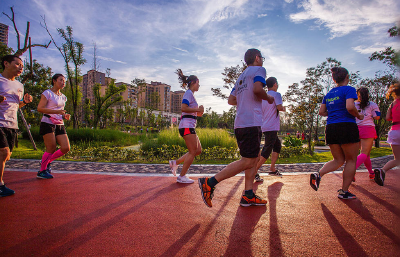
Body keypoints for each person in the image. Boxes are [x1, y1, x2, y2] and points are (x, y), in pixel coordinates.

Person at [198, 48, 274, 207]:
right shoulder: (259, 69)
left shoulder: (241, 77)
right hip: (251, 122)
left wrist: (246, 100)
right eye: (262, 58)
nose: (262, 61)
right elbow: (258, 89)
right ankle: (210, 182)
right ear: (257, 58)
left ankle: (248, 194)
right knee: (248, 160)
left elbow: (231, 100)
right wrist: (268, 98)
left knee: (253, 159)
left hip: (241, 122)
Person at [310, 67, 364, 199]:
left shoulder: (328, 94)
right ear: (347, 77)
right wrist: (359, 115)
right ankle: (344, 191)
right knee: (351, 159)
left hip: (331, 127)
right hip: (346, 126)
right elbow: (350, 107)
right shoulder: (349, 89)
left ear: (334, 79)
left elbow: (322, 112)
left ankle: (319, 174)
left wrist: (334, 112)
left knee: (338, 159)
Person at [0, 55, 33, 197]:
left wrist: (24, 102)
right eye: (17, 64)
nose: (21, 67)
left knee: (6, 156)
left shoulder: (20, 85)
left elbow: (15, 105)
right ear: (6, 63)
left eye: (22, 66)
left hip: (12, 124)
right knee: (4, 152)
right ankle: (0, 185)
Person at [168, 69, 204, 183]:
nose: (199, 85)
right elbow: (183, 108)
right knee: (193, 151)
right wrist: (197, 109)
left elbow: (192, 111)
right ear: (193, 82)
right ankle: (182, 176)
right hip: (186, 126)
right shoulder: (188, 93)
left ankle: (175, 163)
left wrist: (199, 112)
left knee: (198, 150)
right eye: (198, 83)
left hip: (189, 126)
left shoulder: (191, 95)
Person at [36, 74, 70, 179]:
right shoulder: (47, 93)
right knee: (51, 148)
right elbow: (40, 108)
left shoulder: (64, 97)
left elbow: (60, 112)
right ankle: (42, 171)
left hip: (59, 123)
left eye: (64, 81)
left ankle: (46, 162)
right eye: (61, 80)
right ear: (54, 81)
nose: (63, 83)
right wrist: (56, 111)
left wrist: (64, 115)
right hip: (47, 122)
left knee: (66, 147)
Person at [254, 77, 285, 182]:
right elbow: (279, 107)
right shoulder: (277, 95)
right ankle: (254, 172)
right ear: (275, 84)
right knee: (267, 149)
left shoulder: (263, 97)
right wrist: (284, 108)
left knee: (277, 145)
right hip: (271, 127)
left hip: (265, 125)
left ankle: (272, 168)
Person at [374, 83, 400, 186]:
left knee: (397, 159)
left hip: (394, 131)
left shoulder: (393, 104)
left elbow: (388, 117)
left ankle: (383, 170)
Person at [354, 87, 380, 180]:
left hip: (355, 129)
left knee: (366, 154)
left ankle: (371, 172)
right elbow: (377, 117)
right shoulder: (372, 104)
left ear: (357, 94)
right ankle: (351, 171)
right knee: (364, 153)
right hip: (368, 129)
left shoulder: (353, 104)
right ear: (368, 94)